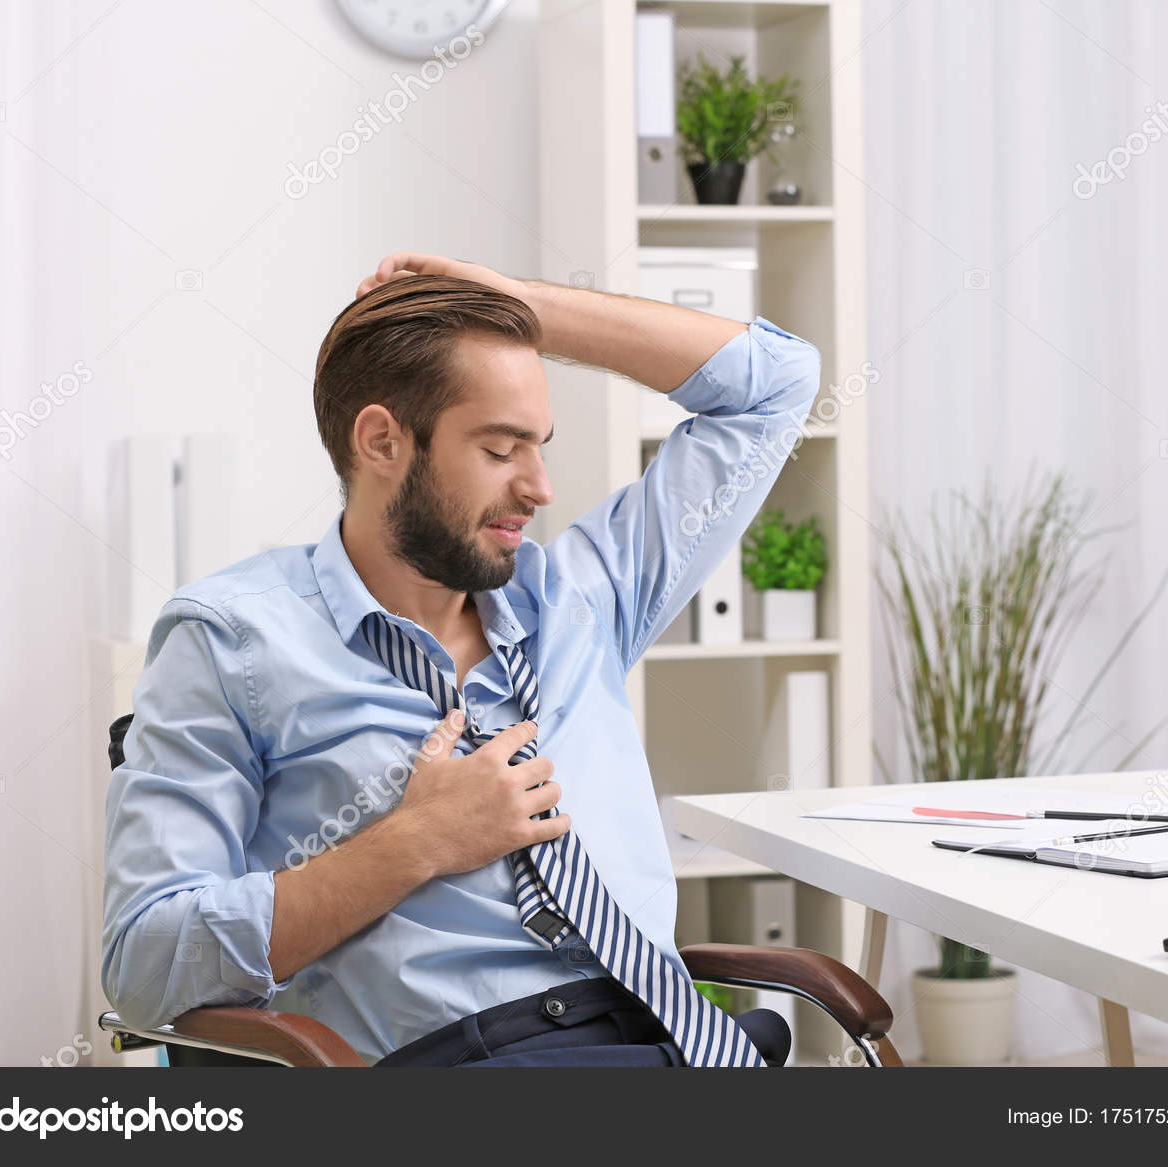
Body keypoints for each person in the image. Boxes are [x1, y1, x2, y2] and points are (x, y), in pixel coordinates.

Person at [101, 252, 819, 1066]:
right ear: (381, 441)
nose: (541, 486)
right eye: (502, 448)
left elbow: (779, 384)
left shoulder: (584, 597)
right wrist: (414, 842)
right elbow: (143, 961)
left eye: (540, 445)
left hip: (671, 1042)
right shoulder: (231, 641)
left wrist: (507, 303)